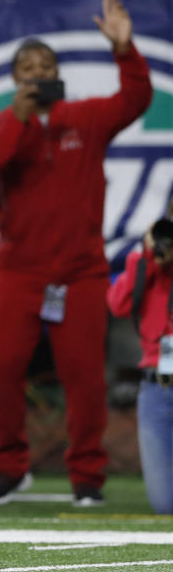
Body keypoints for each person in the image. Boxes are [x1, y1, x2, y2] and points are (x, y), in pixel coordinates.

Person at [0, 0, 153, 506]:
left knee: (85, 380)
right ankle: (8, 467)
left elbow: (137, 99)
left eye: (45, 67)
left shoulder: (87, 119)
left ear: (58, 74)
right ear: (14, 80)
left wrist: (125, 50)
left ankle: (87, 478)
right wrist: (20, 118)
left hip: (80, 275)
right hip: (17, 274)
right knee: (2, 372)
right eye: (27, 69)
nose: (37, 75)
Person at [107, 211, 173, 515]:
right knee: (164, 504)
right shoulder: (150, 270)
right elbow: (117, 304)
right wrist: (144, 256)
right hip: (156, 389)